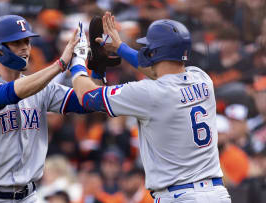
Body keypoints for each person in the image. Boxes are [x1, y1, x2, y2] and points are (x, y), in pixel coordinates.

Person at [69, 12, 231, 202]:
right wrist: (120, 48)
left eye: (148, 48)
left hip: (180, 196)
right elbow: (162, 73)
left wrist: (78, 59)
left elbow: (87, 96)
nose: (145, 51)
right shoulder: (202, 78)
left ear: (154, 52)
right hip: (217, 193)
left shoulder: (149, 93)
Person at [0, 15, 89, 203]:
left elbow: (85, 100)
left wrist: (93, 68)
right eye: (16, 42)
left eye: (27, 41)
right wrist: (60, 65)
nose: (25, 47)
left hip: (29, 196)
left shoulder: (40, 87)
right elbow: (10, 93)